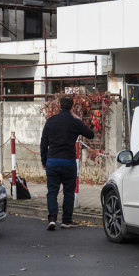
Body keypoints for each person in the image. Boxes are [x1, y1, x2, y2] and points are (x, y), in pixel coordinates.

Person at [39, 95, 95, 230]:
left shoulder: (51, 121)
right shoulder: (74, 122)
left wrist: (44, 161)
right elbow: (90, 134)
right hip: (68, 162)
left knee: (52, 192)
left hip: (52, 161)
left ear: (59, 105)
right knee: (68, 192)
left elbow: (43, 143)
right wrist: (78, 120)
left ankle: (52, 219)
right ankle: (66, 220)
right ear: (72, 107)